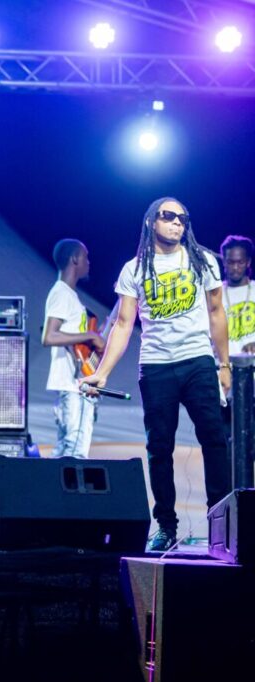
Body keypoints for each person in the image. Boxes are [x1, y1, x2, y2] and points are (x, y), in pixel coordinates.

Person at [82, 197, 231, 551]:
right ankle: (165, 526)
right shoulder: (134, 269)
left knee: (214, 440)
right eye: (169, 216)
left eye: (183, 218)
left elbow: (216, 312)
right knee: (159, 449)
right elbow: (123, 324)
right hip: (156, 365)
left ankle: (222, 524)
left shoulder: (202, 260)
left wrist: (223, 364)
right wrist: (102, 373)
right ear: (151, 221)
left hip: (197, 361)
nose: (177, 222)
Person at [42, 239, 106, 458]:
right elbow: (49, 336)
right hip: (72, 384)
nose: (89, 262)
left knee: (66, 450)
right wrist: (90, 335)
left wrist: (95, 336)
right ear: (75, 259)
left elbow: (73, 338)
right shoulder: (61, 293)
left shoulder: (70, 295)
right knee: (75, 451)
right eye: (86, 257)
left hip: (76, 382)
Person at [220, 235, 255, 355]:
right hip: (224, 363)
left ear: (248, 262)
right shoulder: (214, 293)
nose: (235, 267)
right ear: (224, 262)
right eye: (230, 262)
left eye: (240, 262)